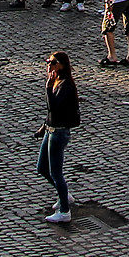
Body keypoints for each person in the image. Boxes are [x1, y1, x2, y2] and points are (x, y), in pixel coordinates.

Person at [37, 51, 79, 224]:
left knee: (56, 172)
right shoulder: (58, 81)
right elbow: (50, 113)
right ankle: (64, 196)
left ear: (61, 65)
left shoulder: (65, 85)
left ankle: (64, 211)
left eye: (53, 62)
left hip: (59, 132)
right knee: (42, 167)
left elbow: (53, 107)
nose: (49, 65)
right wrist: (43, 128)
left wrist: (47, 87)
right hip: (51, 129)